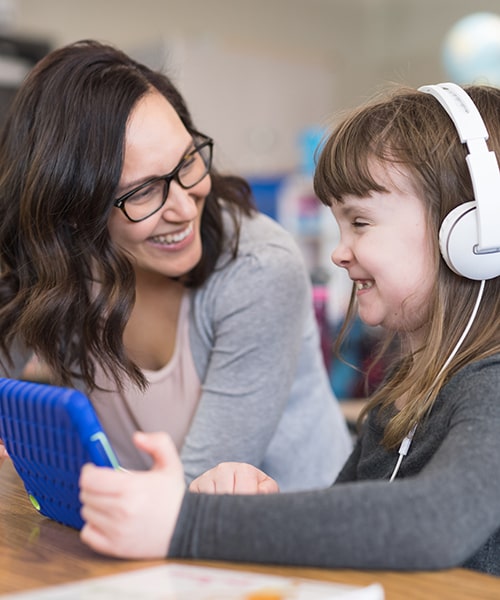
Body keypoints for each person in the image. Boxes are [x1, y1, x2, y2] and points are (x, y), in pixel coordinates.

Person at [79, 82, 500, 574]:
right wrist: (255, 506)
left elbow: (435, 522)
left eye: (360, 223)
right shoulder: (403, 392)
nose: (340, 252)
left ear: (477, 234)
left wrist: (189, 521)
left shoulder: (490, 387)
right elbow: (352, 536)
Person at [0, 40, 352, 491]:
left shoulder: (258, 268)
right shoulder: (57, 264)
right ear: (73, 211)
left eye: (187, 162)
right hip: (132, 533)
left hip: (291, 547)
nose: (185, 206)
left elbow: (199, 497)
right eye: (144, 191)